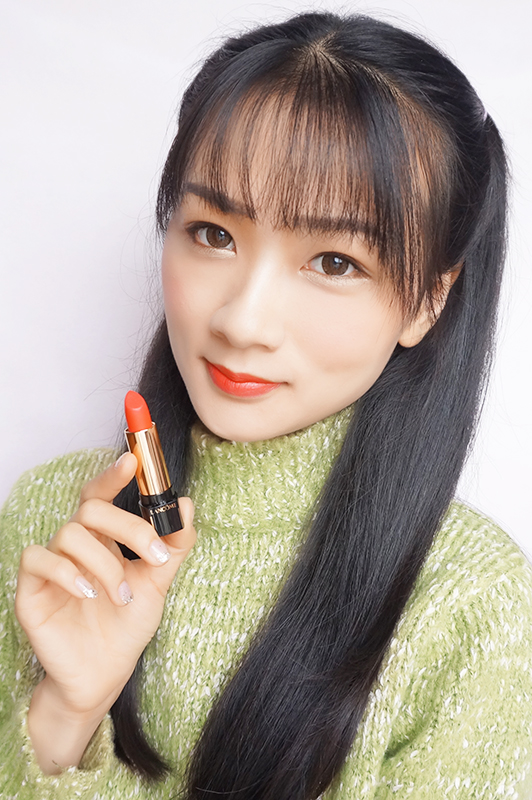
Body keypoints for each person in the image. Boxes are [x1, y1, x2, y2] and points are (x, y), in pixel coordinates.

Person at [1, 10, 531, 799]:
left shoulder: (469, 600)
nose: (242, 322)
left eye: (334, 262)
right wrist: (64, 717)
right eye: (213, 233)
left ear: (429, 299)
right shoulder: (57, 524)